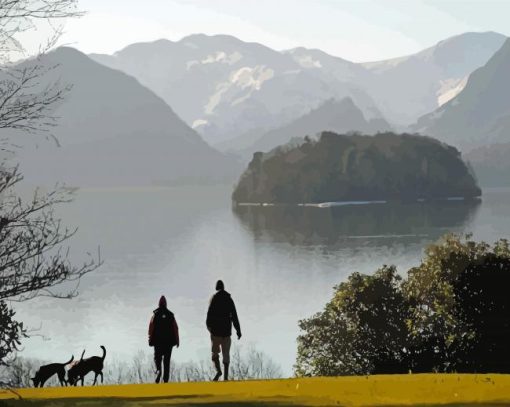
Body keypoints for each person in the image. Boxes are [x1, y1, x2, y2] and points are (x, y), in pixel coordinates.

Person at [206, 280, 241, 381]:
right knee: (226, 355)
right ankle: (225, 377)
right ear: (223, 287)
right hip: (226, 332)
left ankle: (218, 371)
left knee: (215, 353)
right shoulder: (229, 299)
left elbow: (209, 316)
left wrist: (210, 328)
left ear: (216, 287)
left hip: (215, 332)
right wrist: (238, 330)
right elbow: (234, 316)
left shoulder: (213, 299)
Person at [148, 295, 179, 383]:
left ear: (159, 304)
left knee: (157, 358)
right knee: (167, 361)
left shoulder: (155, 314)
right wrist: (177, 340)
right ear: (166, 304)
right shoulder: (170, 315)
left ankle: (158, 371)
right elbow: (175, 328)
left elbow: (151, 327)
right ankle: (166, 380)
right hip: (169, 343)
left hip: (158, 342)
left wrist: (150, 339)